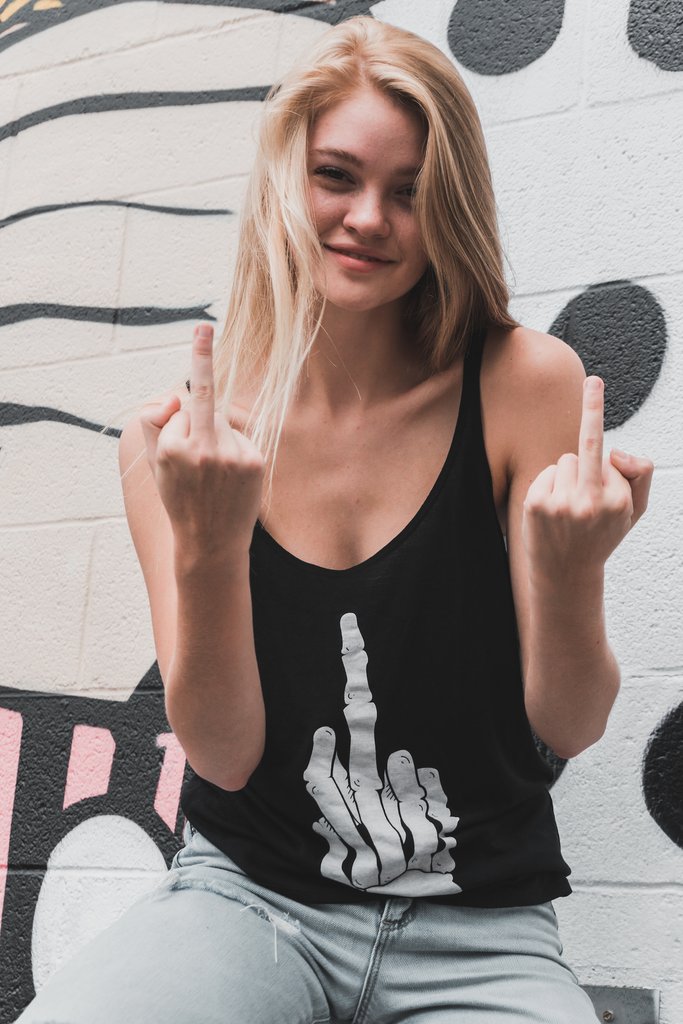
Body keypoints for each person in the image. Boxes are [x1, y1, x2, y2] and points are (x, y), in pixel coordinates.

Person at [17, 15, 653, 1024]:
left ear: (448, 207)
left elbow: (568, 724)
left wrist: (571, 571)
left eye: (408, 191)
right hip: (248, 898)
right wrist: (211, 544)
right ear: (287, 178)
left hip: (481, 932)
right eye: (336, 177)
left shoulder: (522, 383)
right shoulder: (179, 443)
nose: (367, 218)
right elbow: (221, 753)